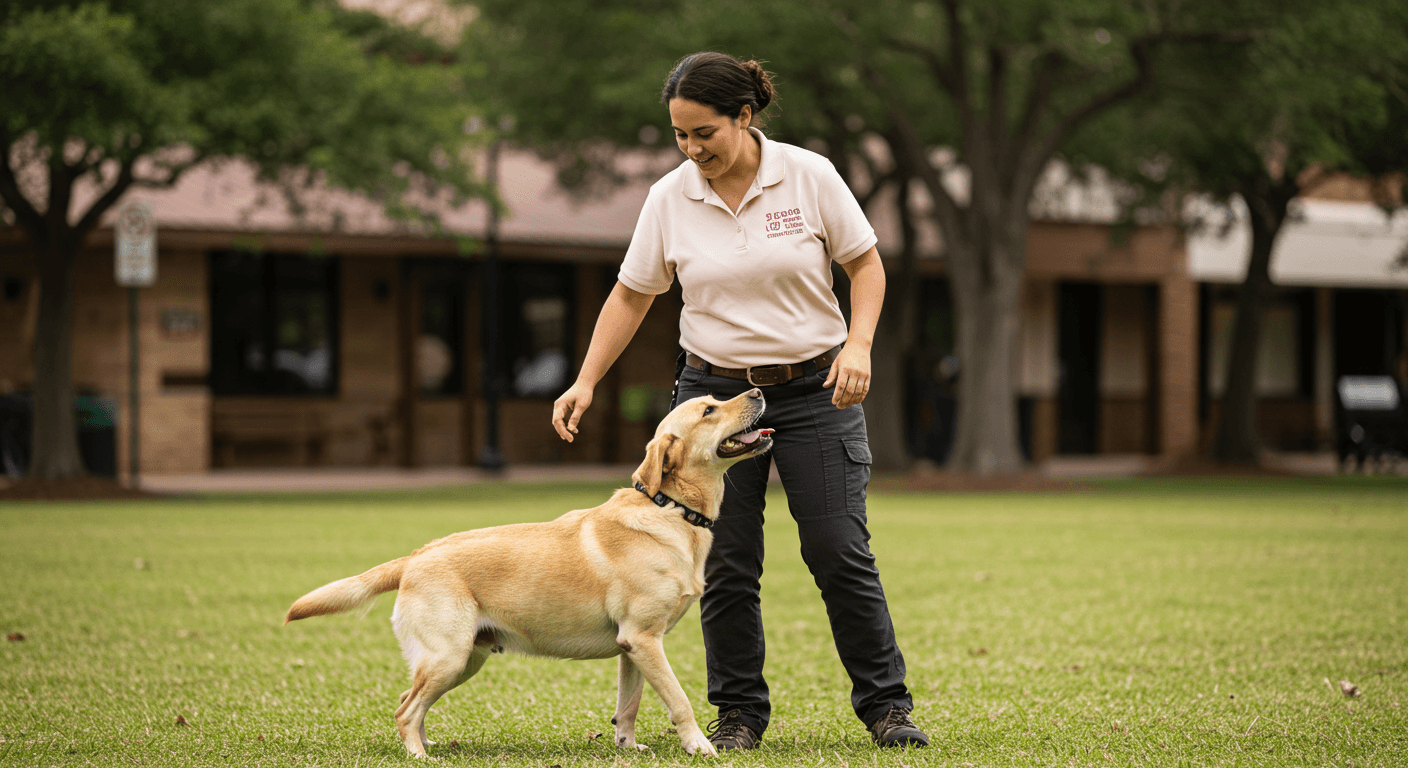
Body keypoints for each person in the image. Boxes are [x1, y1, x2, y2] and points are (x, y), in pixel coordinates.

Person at [551, 51, 927, 751]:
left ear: (744, 117)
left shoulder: (808, 176)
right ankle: (739, 715)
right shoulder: (670, 197)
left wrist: (860, 344)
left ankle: (886, 706)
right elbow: (634, 293)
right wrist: (586, 378)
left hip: (816, 387)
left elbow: (865, 264)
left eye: (705, 134)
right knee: (723, 563)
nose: (692, 150)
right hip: (713, 398)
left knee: (839, 550)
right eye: (680, 136)